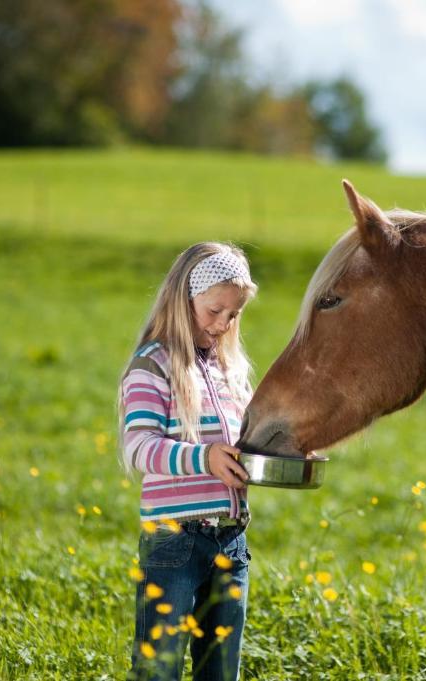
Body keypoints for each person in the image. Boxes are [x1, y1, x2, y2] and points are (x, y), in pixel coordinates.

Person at [120, 242, 257, 681]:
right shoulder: (153, 365)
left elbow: (245, 442)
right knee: (159, 668)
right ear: (184, 299)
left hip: (230, 543)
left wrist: (284, 452)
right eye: (214, 310)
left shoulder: (229, 370)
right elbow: (139, 446)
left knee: (219, 671)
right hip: (174, 542)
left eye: (233, 315)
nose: (223, 324)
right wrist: (205, 457)